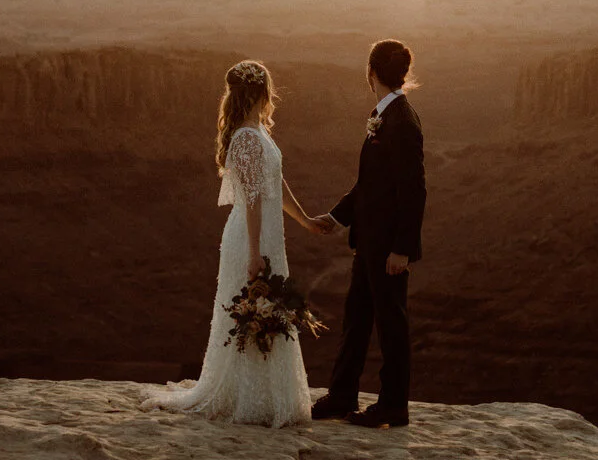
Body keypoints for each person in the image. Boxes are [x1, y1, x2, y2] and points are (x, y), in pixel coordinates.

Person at [142, 59, 330, 427]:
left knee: (268, 312)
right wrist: (255, 252)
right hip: (250, 239)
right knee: (252, 313)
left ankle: (269, 395)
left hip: (268, 236)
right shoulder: (245, 138)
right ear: (261, 92)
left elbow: (277, 184)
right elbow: (255, 200)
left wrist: (305, 221)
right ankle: (248, 397)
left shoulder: (258, 131)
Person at [310, 39, 427, 429]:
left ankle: (394, 405)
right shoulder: (387, 116)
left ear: (371, 73)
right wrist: (337, 216)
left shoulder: (402, 122)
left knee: (391, 323)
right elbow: (370, 184)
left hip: (388, 248)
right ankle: (342, 394)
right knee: (356, 318)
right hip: (369, 241)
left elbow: (413, 192)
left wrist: (402, 250)